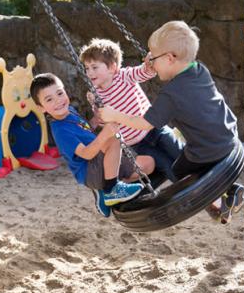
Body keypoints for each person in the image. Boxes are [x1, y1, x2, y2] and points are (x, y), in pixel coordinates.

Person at [98, 21, 243, 219]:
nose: (151, 62)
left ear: (169, 58)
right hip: (228, 136)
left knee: (178, 171)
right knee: (191, 159)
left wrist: (115, 115)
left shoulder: (171, 94)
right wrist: (152, 62)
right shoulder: (199, 70)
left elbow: (144, 123)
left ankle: (220, 200)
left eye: (153, 57)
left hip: (206, 150)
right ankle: (231, 189)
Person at [31, 73, 154, 217]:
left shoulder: (70, 111)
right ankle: (110, 189)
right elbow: (86, 153)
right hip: (90, 171)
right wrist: (104, 134)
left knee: (148, 164)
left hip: (103, 160)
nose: (58, 101)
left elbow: (85, 129)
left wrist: (95, 120)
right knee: (113, 138)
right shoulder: (61, 131)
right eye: (49, 99)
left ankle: (106, 187)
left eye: (59, 93)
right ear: (41, 107)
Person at [79, 38, 183, 183]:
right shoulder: (97, 95)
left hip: (155, 128)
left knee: (180, 153)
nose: (90, 72)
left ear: (112, 67)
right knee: (167, 166)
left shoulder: (123, 76)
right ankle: (192, 194)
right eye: (87, 68)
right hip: (137, 144)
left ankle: (206, 175)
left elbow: (143, 72)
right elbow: (103, 122)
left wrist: (149, 65)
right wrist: (97, 111)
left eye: (94, 67)